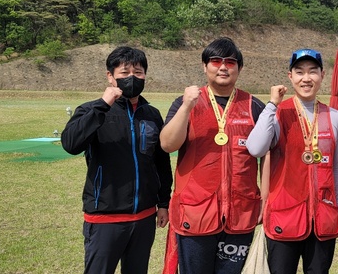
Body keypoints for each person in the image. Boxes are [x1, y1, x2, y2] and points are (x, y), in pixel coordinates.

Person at [61, 46, 173, 274]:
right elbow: (71, 144)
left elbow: (161, 162)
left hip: (143, 217)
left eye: (138, 72)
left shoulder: (151, 114)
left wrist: (163, 203)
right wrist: (103, 105)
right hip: (104, 217)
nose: (132, 77)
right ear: (110, 76)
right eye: (124, 73)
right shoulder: (91, 110)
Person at [160, 37, 266, 274]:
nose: (223, 66)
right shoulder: (186, 102)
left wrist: (265, 200)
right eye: (216, 61)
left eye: (230, 62)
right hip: (195, 212)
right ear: (204, 66)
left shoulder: (253, 105)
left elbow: (267, 156)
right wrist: (187, 106)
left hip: (240, 213)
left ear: (239, 67)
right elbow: (167, 144)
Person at [245, 48, 338, 274]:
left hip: (323, 218)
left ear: (322, 75)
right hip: (285, 214)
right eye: (299, 72)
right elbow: (255, 148)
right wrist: (272, 104)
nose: (306, 78)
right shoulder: (278, 113)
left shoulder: (335, 117)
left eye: (312, 71)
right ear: (290, 76)